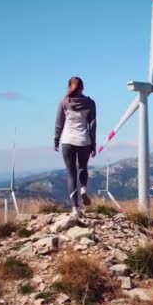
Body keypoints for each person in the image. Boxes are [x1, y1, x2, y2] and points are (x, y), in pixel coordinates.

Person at [54, 76, 97, 217]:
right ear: (83, 87)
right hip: (84, 141)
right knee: (83, 168)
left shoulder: (64, 102)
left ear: (69, 87)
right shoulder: (90, 103)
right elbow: (92, 126)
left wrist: (56, 140)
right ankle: (84, 189)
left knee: (71, 174)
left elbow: (59, 123)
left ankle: (75, 209)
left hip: (67, 141)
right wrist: (93, 144)